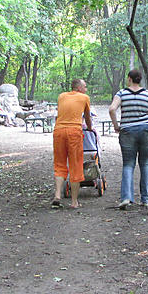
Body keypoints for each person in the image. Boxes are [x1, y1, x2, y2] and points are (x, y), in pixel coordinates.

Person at [108, 69, 148, 209]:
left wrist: (116, 126)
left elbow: (112, 109)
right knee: (145, 164)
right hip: (147, 131)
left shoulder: (121, 93)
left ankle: (126, 197)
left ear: (129, 79)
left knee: (128, 164)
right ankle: (146, 199)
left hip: (127, 131)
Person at [52, 78, 93, 208]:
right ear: (79, 88)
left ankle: (57, 195)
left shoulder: (61, 96)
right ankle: (74, 202)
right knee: (75, 165)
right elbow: (87, 117)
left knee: (59, 163)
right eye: (85, 86)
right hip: (74, 132)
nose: (86, 89)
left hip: (58, 131)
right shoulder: (84, 97)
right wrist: (90, 128)